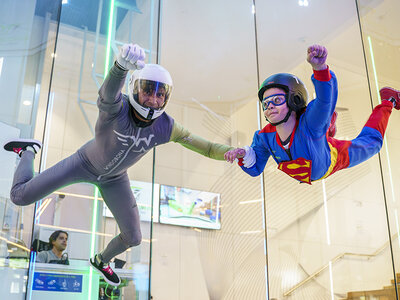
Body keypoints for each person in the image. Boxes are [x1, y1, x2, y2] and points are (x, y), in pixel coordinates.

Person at [3, 43, 233, 286]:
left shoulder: (167, 126)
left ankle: (101, 261)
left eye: (160, 94)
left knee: (133, 237)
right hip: (83, 163)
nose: (153, 100)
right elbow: (107, 94)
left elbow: (207, 147)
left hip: (115, 179)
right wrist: (120, 67)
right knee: (19, 196)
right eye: (148, 91)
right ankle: (28, 151)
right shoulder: (117, 108)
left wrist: (235, 153)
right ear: (135, 89)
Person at [225, 44, 400, 184]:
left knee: (372, 145)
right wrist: (243, 155)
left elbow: (325, 100)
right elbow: (255, 169)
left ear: (295, 99)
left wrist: (320, 68)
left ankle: (388, 101)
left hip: (330, 157)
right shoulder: (264, 137)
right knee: (321, 125)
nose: (269, 106)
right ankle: (328, 127)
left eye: (277, 100)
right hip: (316, 143)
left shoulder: (309, 124)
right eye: (266, 103)